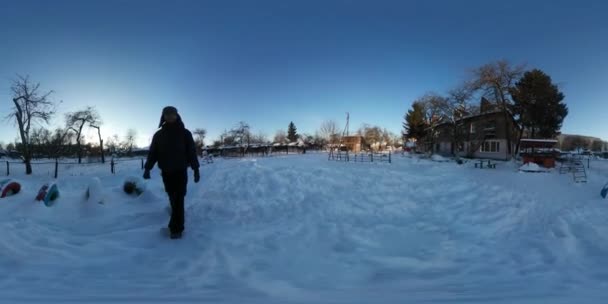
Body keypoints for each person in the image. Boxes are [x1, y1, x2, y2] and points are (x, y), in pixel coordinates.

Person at [143, 106, 200, 239]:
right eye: (167, 114)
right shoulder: (158, 135)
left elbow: (191, 152)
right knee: (172, 196)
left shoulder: (185, 133)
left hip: (180, 171)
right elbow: (153, 153)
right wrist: (147, 168)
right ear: (163, 116)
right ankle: (176, 213)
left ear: (177, 115)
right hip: (166, 172)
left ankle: (176, 229)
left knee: (179, 197)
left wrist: (196, 169)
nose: (170, 116)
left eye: (172, 114)